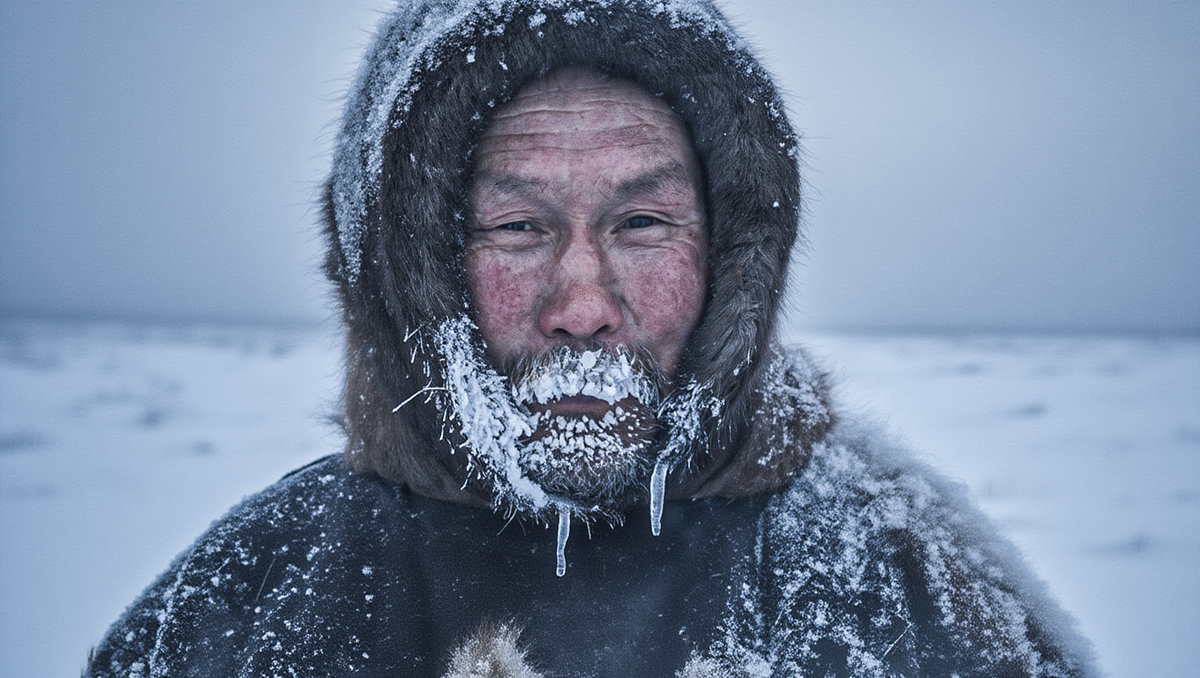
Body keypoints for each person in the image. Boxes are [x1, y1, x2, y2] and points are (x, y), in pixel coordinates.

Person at [86, 1, 1097, 676]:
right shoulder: (261, 589)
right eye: (518, 229)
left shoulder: (887, 574)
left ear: (734, 253)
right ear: (408, 273)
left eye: (642, 225)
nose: (584, 306)